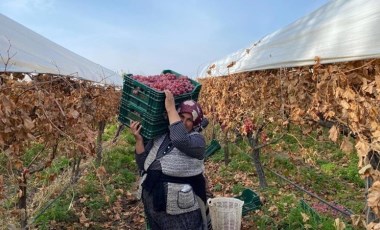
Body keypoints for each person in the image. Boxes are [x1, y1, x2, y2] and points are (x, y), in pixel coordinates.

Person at [130, 90, 211, 230]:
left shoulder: (198, 141)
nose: (184, 122)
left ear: (195, 123)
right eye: (181, 116)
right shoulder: (161, 136)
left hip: (179, 208)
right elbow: (142, 164)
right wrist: (139, 140)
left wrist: (170, 108)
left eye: (189, 119)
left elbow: (180, 139)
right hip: (153, 200)